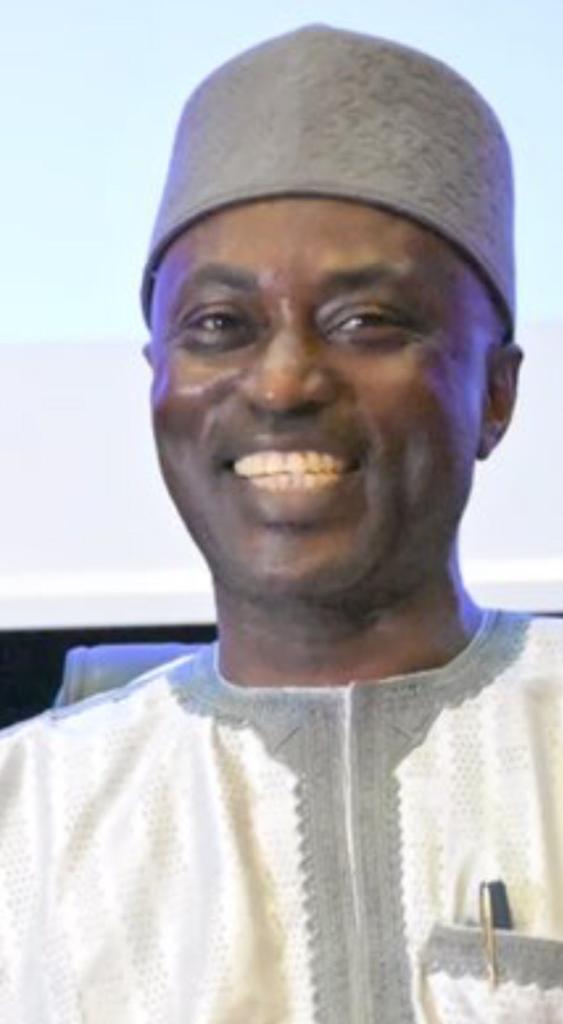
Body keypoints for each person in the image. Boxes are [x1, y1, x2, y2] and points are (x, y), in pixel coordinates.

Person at [1, 23, 562, 1024]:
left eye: (364, 322)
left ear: (495, 393)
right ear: (157, 382)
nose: (283, 382)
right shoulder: (27, 820)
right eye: (220, 326)